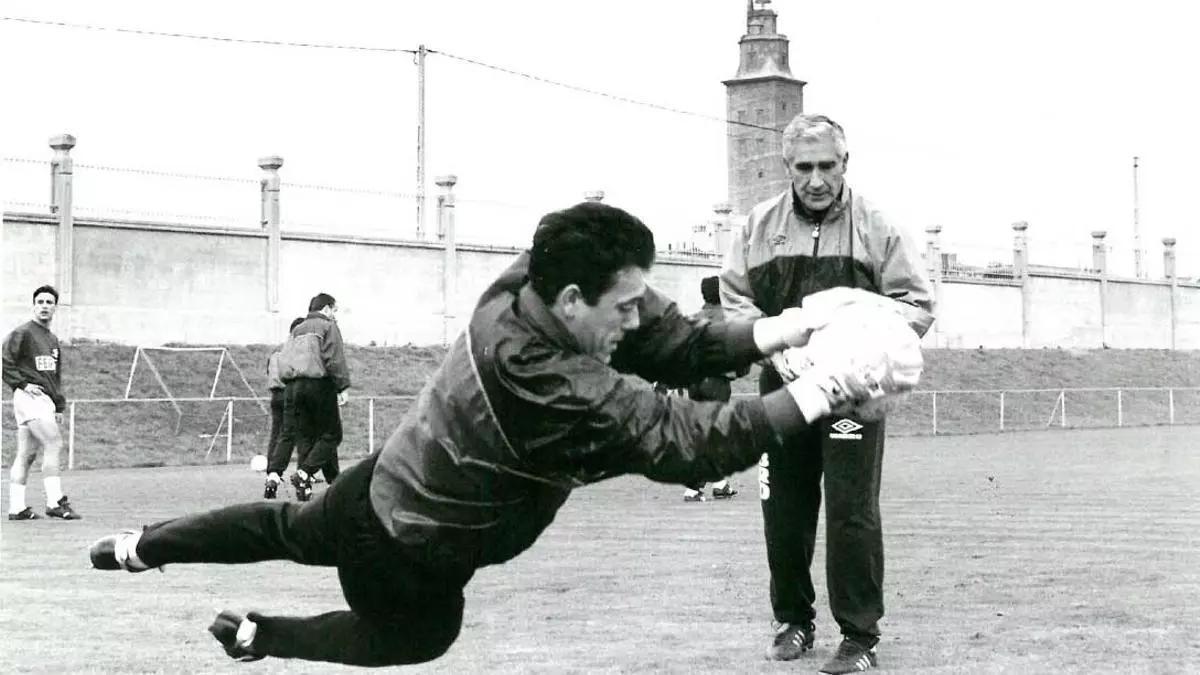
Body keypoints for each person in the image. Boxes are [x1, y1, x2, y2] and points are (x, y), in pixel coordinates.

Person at [89, 202, 918, 667]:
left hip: (379, 480)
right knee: (417, 636)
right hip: (411, 552)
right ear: (568, 301)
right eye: (622, 304)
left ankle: (139, 546)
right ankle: (261, 634)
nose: (637, 314)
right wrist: (826, 388)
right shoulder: (552, 385)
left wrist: (784, 328)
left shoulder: (530, 278)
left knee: (286, 526)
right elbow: (691, 441)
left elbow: (669, 337)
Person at [720, 113, 935, 673]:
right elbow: (736, 301)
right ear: (786, 166)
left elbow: (917, 306)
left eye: (826, 165)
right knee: (783, 511)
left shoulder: (877, 227)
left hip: (851, 395)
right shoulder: (757, 227)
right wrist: (775, 348)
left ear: (845, 162)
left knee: (851, 512)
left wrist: (866, 350)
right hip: (783, 386)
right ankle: (793, 621)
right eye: (803, 166)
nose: (816, 179)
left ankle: (859, 638)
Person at [3, 285, 80, 520]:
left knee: (26, 454)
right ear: (34, 305)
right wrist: (23, 384)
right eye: (40, 302)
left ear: (55, 307)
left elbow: (54, 375)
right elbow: (4, 361)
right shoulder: (23, 333)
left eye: (49, 302)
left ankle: (17, 508)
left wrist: (58, 405)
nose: (45, 306)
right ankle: (55, 501)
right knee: (54, 443)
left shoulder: (52, 340)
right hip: (30, 397)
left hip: (44, 399)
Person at [278, 294, 350, 501]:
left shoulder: (297, 330)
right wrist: (342, 387)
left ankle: (308, 488)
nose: (335, 315)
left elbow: (284, 361)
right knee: (332, 434)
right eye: (335, 310)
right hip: (319, 385)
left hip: (294, 386)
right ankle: (304, 474)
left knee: (307, 437)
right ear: (327, 309)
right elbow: (333, 358)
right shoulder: (328, 326)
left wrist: (290, 385)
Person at [681, 275, 747, 502]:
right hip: (717, 383)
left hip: (694, 384)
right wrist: (739, 372)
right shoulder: (728, 319)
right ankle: (694, 486)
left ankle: (720, 484)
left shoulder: (692, 319)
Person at [263, 317, 306, 499]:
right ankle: (304, 472)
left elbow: (270, 372)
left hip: (275, 395)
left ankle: (272, 470)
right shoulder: (295, 352)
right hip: (289, 394)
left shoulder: (276, 354)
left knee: (277, 433)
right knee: (298, 433)